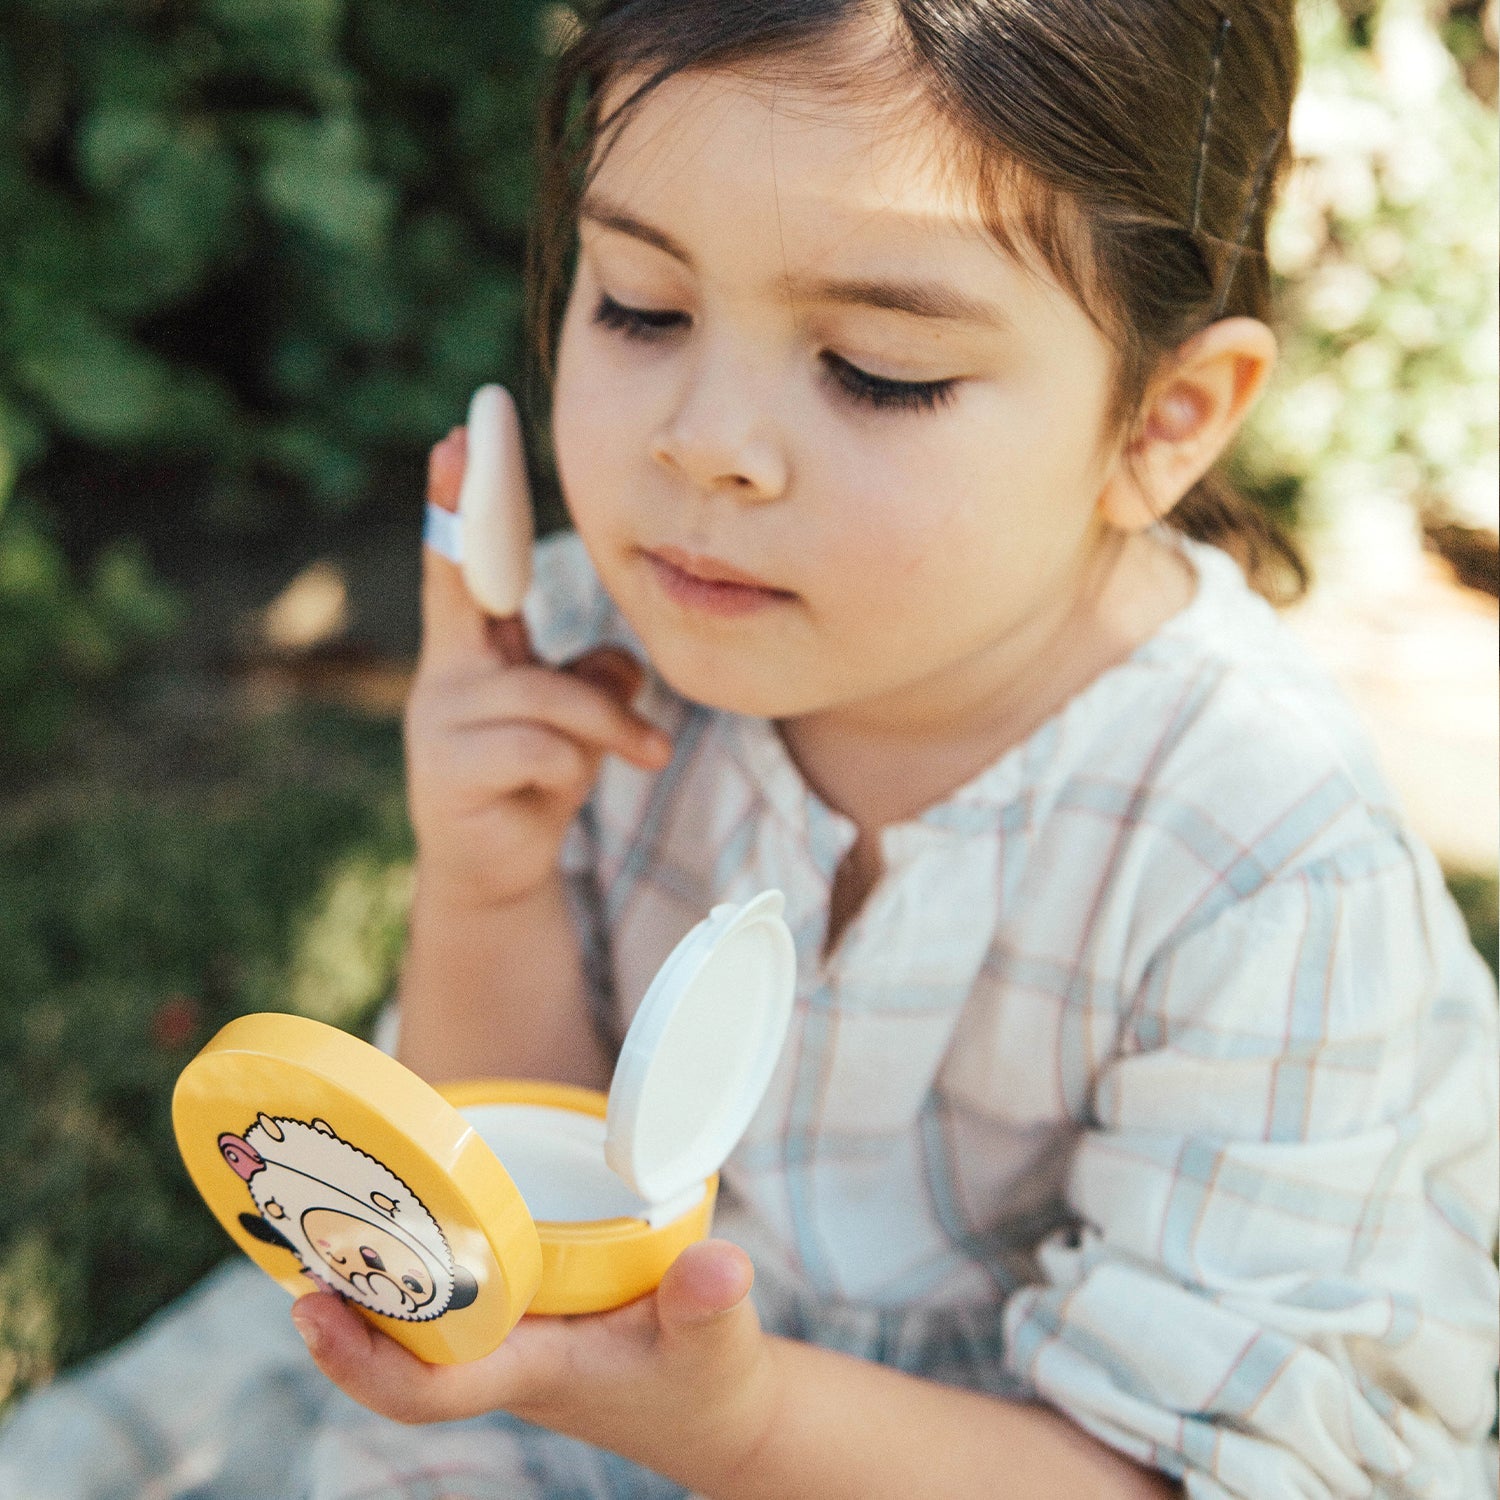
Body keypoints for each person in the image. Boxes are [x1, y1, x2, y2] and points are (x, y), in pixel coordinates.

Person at [3, 2, 1495, 1497]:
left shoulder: (1259, 859)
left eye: (878, 367)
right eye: (642, 306)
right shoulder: (590, 644)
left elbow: (1182, 1475)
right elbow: (506, 1208)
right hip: (605, 1399)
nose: (705, 442)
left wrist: (732, 1429)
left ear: (1163, 421)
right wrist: (489, 881)